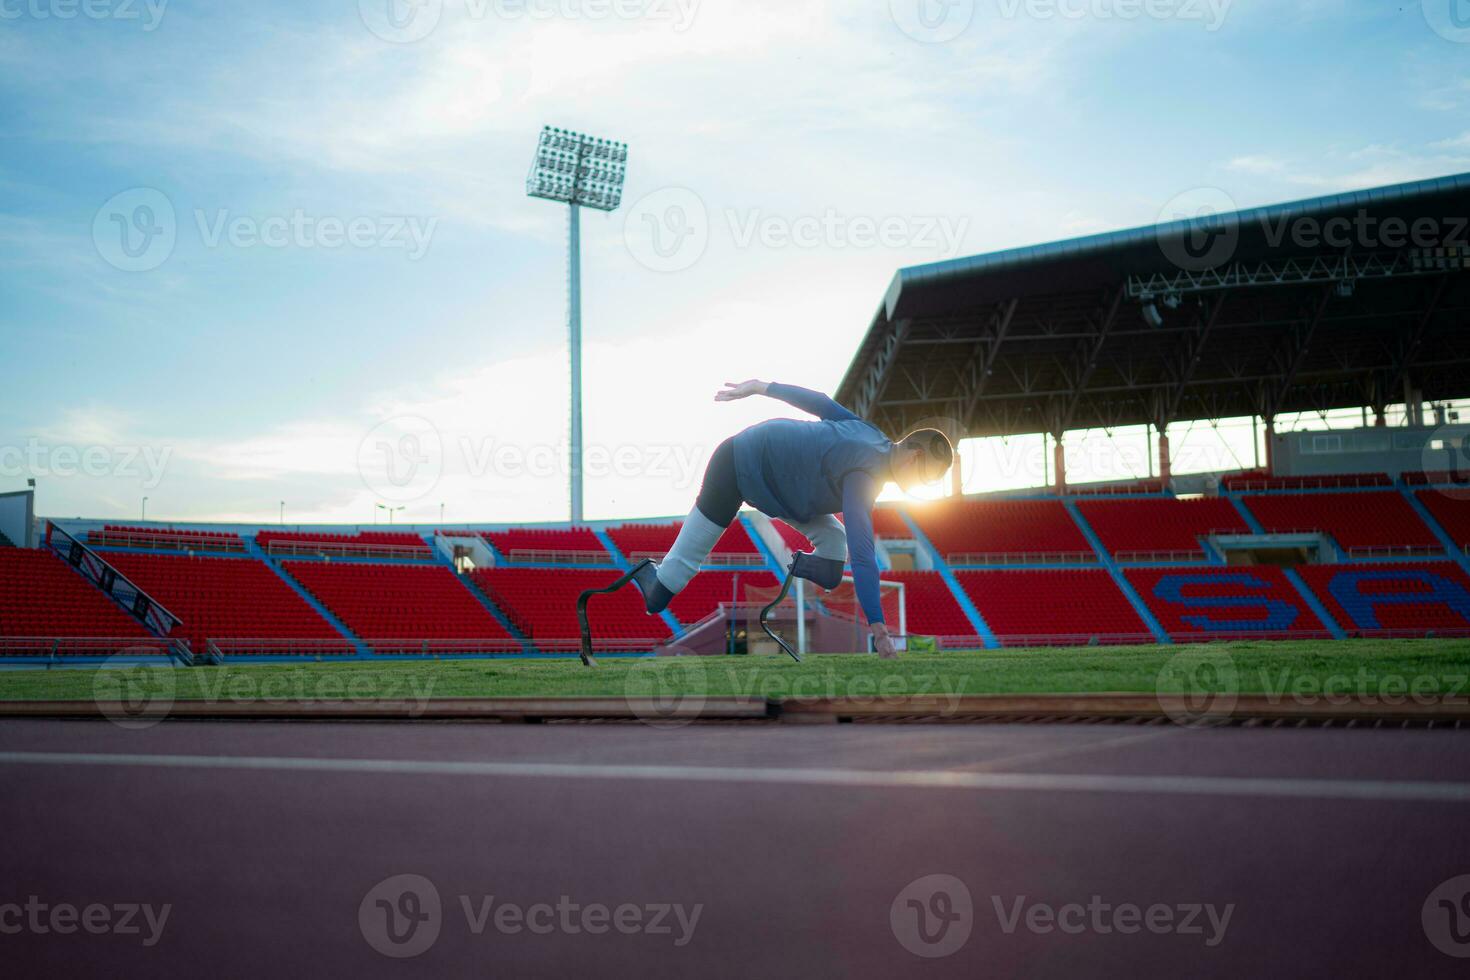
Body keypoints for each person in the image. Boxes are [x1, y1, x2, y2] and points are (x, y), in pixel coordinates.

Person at [631, 379, 953, 659]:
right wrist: (880, 630)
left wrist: (762, 387)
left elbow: (821, 403)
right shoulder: (866, 474)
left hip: (780, 491)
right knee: (661, 595)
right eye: (926, 477)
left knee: (832, 551)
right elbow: (864, 550)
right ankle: (649, 574)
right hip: (735, 466)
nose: (923, 485)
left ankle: (795, 565)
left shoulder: (872, 435)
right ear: (914, 456)